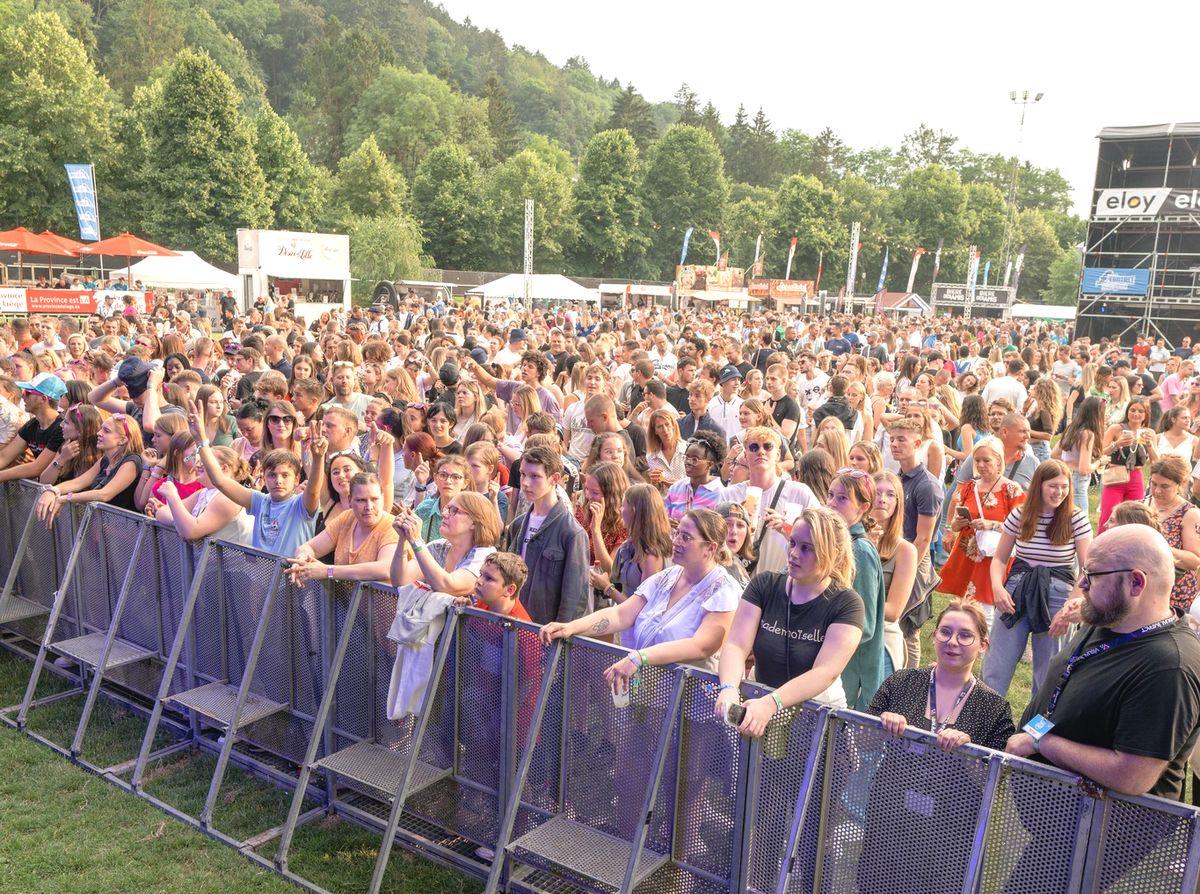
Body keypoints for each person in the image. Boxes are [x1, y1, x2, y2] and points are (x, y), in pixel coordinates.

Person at [1007, 525, 1200, 800]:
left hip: (1103, 835)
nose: (1082, 584)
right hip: (1059, 825)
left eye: (1093, 575)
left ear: (1136, 582)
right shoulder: (1110, 617)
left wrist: (1042, 743)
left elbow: (1133, 776)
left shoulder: (1169, 666)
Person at [542, 509, 740, 684]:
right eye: (677, 533)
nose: (676, 541)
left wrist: (639, 657)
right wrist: (571, 627)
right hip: (647, 690)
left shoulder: (723, 590)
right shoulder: (668, 576)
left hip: (688, 703)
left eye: (686, 537)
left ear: (711, 548)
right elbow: (621, 615)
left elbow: (701, 646)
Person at [715, 506, 865, 735]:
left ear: (832, 553)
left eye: (807, 549)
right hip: (756, 707)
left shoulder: (846, 603)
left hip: (814, 718)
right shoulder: (765, 585)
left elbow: (825, 672)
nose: (794, 553)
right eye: (793, 543)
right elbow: (736, 644)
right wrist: (729, 688)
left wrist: (771, 703)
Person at [984, 459, 1092, 697]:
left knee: (1048, 673)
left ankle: (1035, 732)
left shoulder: (1076, 518)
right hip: (1018, 588)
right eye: (1053, 486)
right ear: (1039, 486)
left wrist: (1070, 608)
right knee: (996, 665)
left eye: (1064, 486)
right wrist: (997, 589)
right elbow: (1000, 558)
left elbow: (1087, 570)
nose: (1059, 492)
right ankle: (986, 723)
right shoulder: (1020, 515)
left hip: (1057, 595)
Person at [872, 600, 1016, 749]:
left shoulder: (994, 708)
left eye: (965, 635)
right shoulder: (901, 682)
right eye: (945, 632)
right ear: (935, 636)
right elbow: (860, 744)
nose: (952, 641)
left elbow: (997, 771)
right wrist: (879, 726)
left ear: (982, 645)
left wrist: (968, 752)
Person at [188, 399, 324, 557]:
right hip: (261, 578)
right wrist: (201, 441)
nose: (278, 480)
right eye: (272, 475)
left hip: (292, 579)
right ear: (264, 477)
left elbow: (314, 492)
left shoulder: (301, 504)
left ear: (297, 479)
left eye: (285, 475)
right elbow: (220, 481)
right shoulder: (260, 501)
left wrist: (318, 458)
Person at [939, 437, 1026, 623]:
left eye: (986, 460)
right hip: (967, 554)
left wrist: (991, 525)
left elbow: (1023, 528)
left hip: (992, 558)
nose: (981, 465)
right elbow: (954, 523)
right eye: (977, 460)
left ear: (999, 461)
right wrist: (957, 524)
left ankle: (984, 646)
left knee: (985, 609)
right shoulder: (969, 487)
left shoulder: (1011, 489)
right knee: (965, 607)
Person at [504, 445, 589, 623]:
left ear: (554, 478)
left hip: (544, 631)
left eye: (535, 476)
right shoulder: (517, 525)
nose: (526, 483)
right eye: (522, 474)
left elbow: (574, 598)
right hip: (512, 623)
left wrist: (559, 639)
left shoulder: (572, 532)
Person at [827, 467, 886, 710]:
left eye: (842, 498)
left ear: (863, 507)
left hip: (853, 674)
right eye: (830, 495)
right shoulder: (837, 542)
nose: (831, 503)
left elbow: (866, 626)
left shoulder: (860, 550)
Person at [722, 426, 818, 575]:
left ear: (778, 454)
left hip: (782, 582)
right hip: (739, 581)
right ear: (745, 456)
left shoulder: (800, 493)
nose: (761, 451)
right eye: (754, 447)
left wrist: (789, 530)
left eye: (768, 446)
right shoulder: (729, 496)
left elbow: (821, 537)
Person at [35, 412, 145, 525]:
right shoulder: (105, 459)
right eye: (101, 429)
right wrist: (52, 491)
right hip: (103, 526)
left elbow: (105, 494)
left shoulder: (131, 461)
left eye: (106, 431)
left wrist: (64, 498)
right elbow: (78, 482)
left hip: (124, 529)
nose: (99, 433)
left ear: (122, 440)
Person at [288, 472, 398, 584]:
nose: (369, 507)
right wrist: (302, 559)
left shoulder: (392, 525)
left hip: (379, 601)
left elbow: (386, 569)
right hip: (344, 600)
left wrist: (328, 571)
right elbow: (310, 547)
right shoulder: (347, 517)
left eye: (374, 499)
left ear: (383, 498)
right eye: (361, 500)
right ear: (350, 500)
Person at [391, 492, 501, 596]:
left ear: (474, 522)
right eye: (446, 508)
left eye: (453, 510)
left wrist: (417, 541)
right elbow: (400, 581)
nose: (444, 514)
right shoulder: (437, 547)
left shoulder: (486, 555)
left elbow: (448, 586)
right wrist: (403, 539)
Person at [591, 483, 673, 606]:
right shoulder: (634, 544)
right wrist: (595, 529)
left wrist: (607, 588)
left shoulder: (651, 555)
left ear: (633, 510)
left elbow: (642, 608)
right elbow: (614, 571)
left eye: (623, 505)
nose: (620, 510)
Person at [153, 445, 253, 545]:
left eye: (205, 462)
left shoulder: (228, 497)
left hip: (229, 560)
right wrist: (179, 523)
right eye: (200, 461)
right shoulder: (204, 492)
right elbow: (162, 512)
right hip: (204, 559)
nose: (198, 465)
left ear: (224, 468)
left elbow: (191, 531)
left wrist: (172, 496)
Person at [870, 471, 918, 675]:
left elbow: (893, 611)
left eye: (890, 494)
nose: (882, 499)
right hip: (842, 635)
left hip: (882, 640)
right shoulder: (847, 541)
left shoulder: (906, 550)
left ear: (898, 503)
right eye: (877, 492)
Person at [1144, 456, 1200, 613]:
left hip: (1174, 595)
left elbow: (1194, 561)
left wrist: (1158, 546)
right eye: (1153, 484)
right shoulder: (1145, 503)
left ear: (1180, 484)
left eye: (1165, 486)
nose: (1157, 491)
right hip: (1143, 589)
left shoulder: (1190, 514)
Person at [1098, 398, 1157, 530]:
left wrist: (1150, 445)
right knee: (1108, 515)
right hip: (1115, 476)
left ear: (1146, 414)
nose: (1136, 414)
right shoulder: (1116, 429)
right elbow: (1100, 452)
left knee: (1134, 518)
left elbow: (1155, 462)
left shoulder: (1149, 433)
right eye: (1133, 410)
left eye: (1141, 411)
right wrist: (1117, 444)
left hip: (1136, 477)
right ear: (1127, 412)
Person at [0, 373, 66, 483]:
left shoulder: (61, 427)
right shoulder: (32, 425)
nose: (23, 396)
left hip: (60, 491)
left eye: (28, 393)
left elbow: (37, 468)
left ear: (43, 399)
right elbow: (4, 456)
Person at [1054, 396, 1104, 518]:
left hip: (1065, 474)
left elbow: (1055, 453)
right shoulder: (1087, 434)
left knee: (1064, 515)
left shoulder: (1072, 428)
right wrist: (1100, 462)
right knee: (1080, 519)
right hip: (1078, 480)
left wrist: (1068, 463)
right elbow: (1084, 469)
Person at [663, 430, 726, 520]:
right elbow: (663, 517)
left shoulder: (720, 493)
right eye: (687, 457)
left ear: (710, 464)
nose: (688, 462)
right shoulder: (676, 488)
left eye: (695, 459)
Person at [468, 552, 532, 620]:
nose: (479, 581)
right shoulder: (482, 600)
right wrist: (465, 612)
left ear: (509, 590)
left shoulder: (521, 627)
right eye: (481, 574)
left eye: (489, 578)